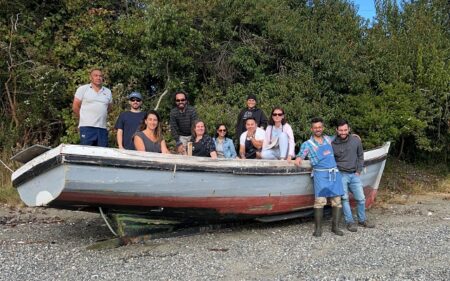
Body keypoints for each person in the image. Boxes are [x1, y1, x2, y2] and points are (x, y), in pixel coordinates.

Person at [294, 117, 344, 237]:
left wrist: (354, 136)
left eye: (320, 127)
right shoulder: (307, 144)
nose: (318, 129)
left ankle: (335, 227)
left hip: (333, 173)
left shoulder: (329, 139)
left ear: (323, 128)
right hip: (320, 174)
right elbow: (301, 155)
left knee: (337, 201)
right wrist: (299, 158)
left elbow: (342, 136)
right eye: (315, 127)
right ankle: (318, 229)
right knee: (320, 201)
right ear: (312, 129)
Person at [332, 119, 375, 232]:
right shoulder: (332, 143)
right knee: (344, 199)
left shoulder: (356, 141)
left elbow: (360, 156)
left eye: (345, 130)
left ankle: (362, 220)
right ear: (336, 130)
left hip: (354, 174)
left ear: (349, 129)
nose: (343, 132)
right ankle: (349, 222)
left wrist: (358, 170)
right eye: (340, 130)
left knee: (361, 199)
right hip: (341, 175)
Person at [72, 68, 112, 147]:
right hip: (87, 127)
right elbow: (75, 106)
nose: (98, 78)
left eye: (100, 76)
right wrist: (83, 117)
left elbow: (109, 108)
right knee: (86, 152)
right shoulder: (83, 89)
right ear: (91, 77)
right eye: (96, 75)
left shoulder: (108, 91)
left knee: (102, 153)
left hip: (102, 128)